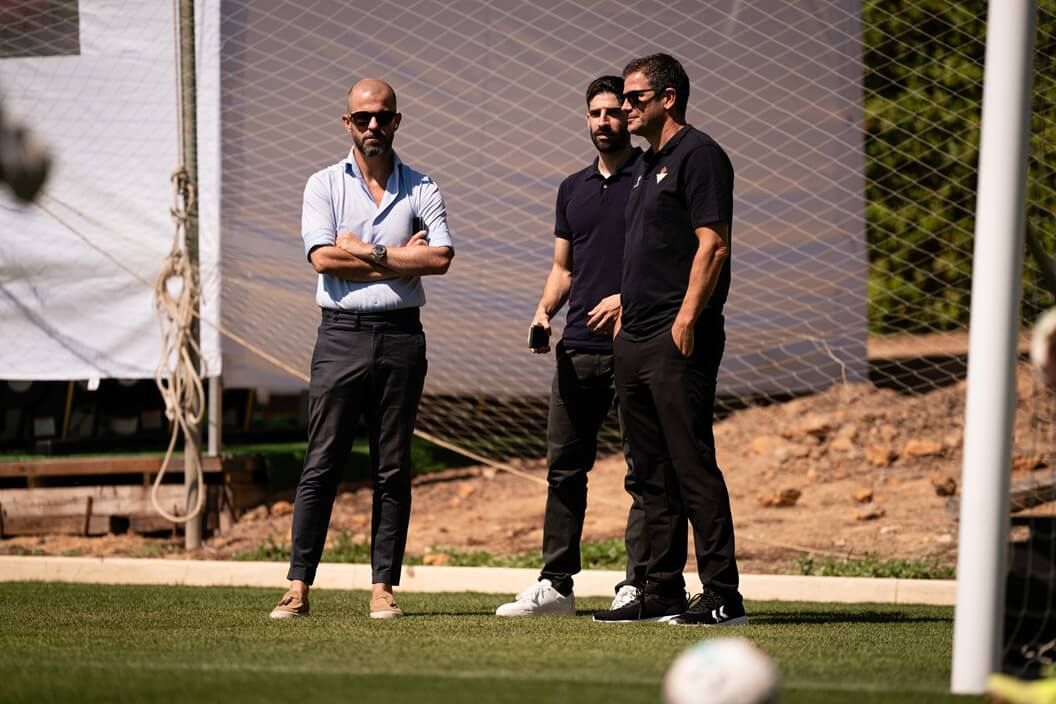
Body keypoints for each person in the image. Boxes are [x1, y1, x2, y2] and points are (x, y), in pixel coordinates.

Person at [270, 78, 454, 620]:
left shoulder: (422, 186)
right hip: (340, 334)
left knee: (392, 466)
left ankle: (383, 588)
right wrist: (399, 256)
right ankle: (298, 585)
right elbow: (323, 260)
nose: (373, 125)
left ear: (398, 121)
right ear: (347, 123)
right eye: (363, 117)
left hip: (401, 336)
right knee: (322, 461)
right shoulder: (323, 184)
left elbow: (441, 258)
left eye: (383, 116)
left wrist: (366, 248)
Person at [592, 54, 747, 625]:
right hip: (633, 338)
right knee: (648, 472)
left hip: (679, 337)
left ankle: (723, 595)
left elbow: (713, 245)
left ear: (668, 98)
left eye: (634, 98)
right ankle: (661, 589)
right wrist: (628, 304)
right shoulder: (644, 165)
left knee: (691, 464)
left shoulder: (699, 155)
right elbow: (657, 254)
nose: (624, 106)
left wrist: (685, 321)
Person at [495, 76, 649, 618]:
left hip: (637, 345)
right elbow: (563, 268)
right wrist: (543, 313)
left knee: (644, 471)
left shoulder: (652, 177)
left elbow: (672, 258)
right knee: (563, 468)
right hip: (577, 348)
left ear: (629, 116)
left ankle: (640, 584)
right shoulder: (572, 188)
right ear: (585, 119)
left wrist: (631, 299)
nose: (604, 121)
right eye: (595, 113)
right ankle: (556, 585)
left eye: (613, 111)